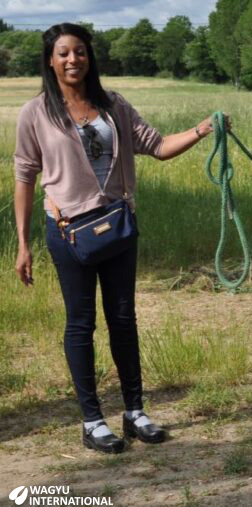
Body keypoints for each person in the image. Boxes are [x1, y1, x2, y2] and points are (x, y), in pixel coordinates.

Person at [12, 23, 229, 454]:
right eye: (63, 53)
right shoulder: (35, 113)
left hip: (118, 228)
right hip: (68, 233)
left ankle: (135, 412)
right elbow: (24, 175)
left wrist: (203, 130)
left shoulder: (114, 106)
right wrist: (23, 242)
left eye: (80, 51)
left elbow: (159, 146)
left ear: (89, 57)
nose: (73, 59)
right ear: (50, 61)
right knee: (81, 324)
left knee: (123, 319)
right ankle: (92, 420)